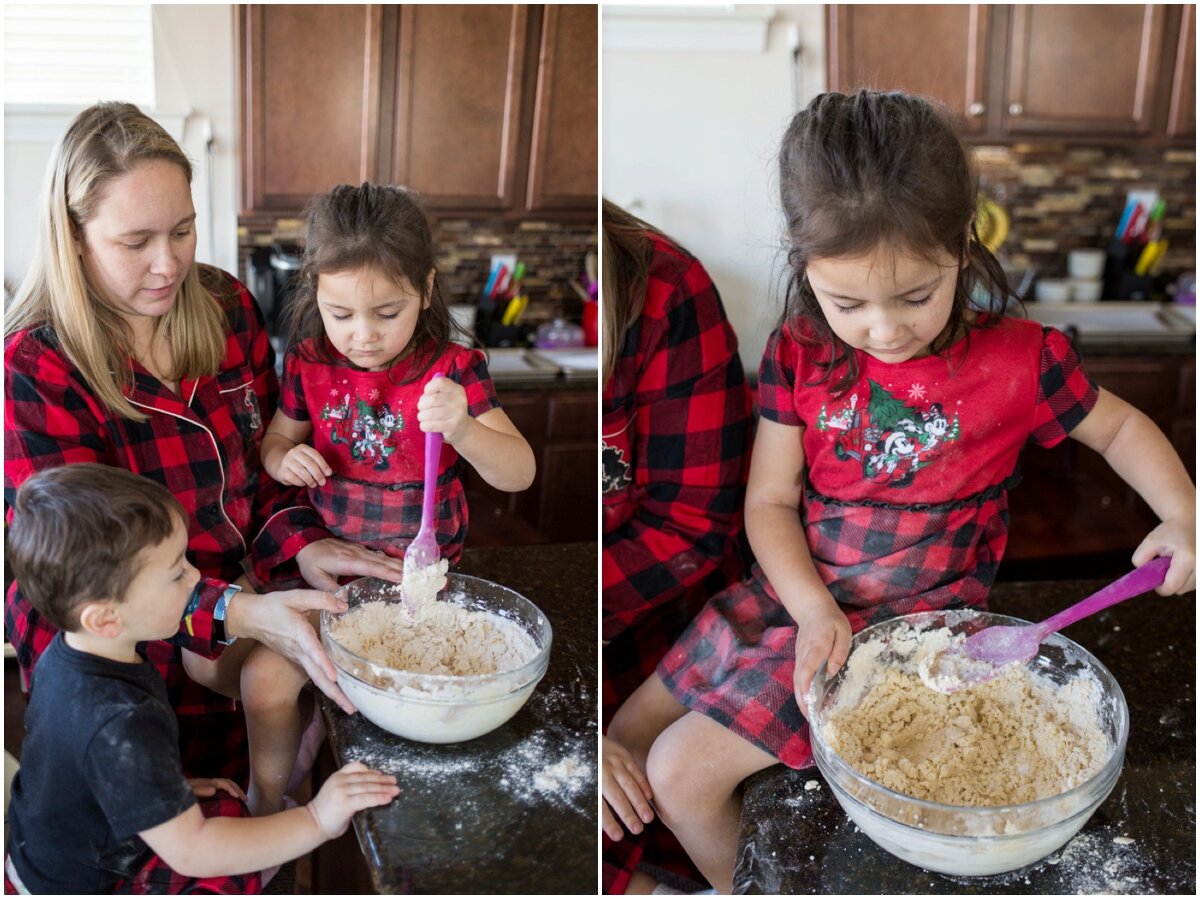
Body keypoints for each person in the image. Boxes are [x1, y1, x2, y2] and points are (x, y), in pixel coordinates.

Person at [608, 90, 1197, 893]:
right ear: (801, 262)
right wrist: (812, 606)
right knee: (626, 734)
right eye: (847, 302)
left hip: (902, 634)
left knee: (679, 773)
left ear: (961, 244)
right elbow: (770, 503)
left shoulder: (1022, 361)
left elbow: (1123, 430)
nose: (884, 330)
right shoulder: (799, 353)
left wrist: (1184, 513)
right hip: (793, 598)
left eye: (916, 296)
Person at [3, 101, 405, 785]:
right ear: (73, 236)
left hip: (252, 640)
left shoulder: (225, 307)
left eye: (183, 231)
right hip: (134, 680)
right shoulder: (34, 370)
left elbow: (266, 471)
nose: (169, 265)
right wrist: (231, 608)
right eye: (136, 242)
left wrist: (301, 540)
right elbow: (79, 577)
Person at [209, 181, 532, 814]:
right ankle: (271, 803)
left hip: (418, 585)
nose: (362, 336)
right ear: (315, 297)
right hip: (327, 572)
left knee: (409, 704)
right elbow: (275, 441)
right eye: (340, 314)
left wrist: (464, 428)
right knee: (264, 680)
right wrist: (283, 454)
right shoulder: (307, 362)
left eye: (387, 313)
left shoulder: (454, 369)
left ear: (427, 290)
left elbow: (517, 472)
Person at [3, 464, 400, 895]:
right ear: (105, 618)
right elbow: (194, 852)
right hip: (88, 883)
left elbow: (69, 767)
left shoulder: (66, 655)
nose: (195, 578)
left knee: (224, 805)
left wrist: (147, 787)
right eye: (176, 573)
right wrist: (317, 819)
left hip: (42, 852)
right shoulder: (119, 721)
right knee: (229, 867)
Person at [600, 200, 754, 893]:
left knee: (642, 791)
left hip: (668, 624)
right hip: (574, 626)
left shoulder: (667, 289)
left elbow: (690, 523)